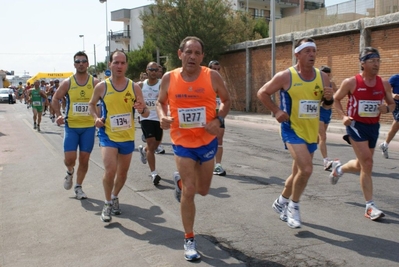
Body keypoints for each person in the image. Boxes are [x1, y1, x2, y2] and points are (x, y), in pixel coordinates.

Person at [156, 36, 231, 261]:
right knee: (189, 191)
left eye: (197, 53)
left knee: (203, 190)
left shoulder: (212, 76)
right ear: (180, 54)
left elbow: (226, 101)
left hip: (207, 141)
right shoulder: (169, 78)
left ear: (202, 57)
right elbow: (161, 102)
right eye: (189, 52)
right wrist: (162, 117)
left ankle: (179, 182)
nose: (193, 56)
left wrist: (218, 120)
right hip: (181, 141)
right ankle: (189, 238)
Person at [257, 37, 334, 229]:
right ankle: (294, 206)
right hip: (291, 129)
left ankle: (281, 201)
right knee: (307, 169)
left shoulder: (322, 77)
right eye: (307, 51)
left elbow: (325, 105)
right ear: (297, 54)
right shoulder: (286, 76)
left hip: (310, 131)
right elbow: (262, 92)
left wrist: (330, 100)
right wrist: (276, 111)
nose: (311, 55)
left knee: (299, 172)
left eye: (314, 51)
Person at [329, 47, 395, 221]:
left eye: (378, 60)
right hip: (355, 125)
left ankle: (339, 169)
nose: (376, 64)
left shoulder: (384, 84)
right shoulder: (351, 82)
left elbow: (393, 104)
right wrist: (343, 116)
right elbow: (335, 99)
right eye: (372, 60)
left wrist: (387, 108)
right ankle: (369, 206)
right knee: (368, 162)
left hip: (373, 127)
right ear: (363, 63)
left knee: (361, 165)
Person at [88, 50, 148, 223]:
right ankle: (107, 203)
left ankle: (114, 196)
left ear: (126, 65)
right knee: (110, 170)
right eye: (116, 62)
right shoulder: (102, 87)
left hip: (127, 136)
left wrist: (141, 109)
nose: (119, 66)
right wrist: (96, 118)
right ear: (110, 65)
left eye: (122, 63)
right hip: (108, 135)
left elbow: (145, 112)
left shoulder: (134, 87)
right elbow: (91, 104)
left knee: (122, 174)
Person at [52, 51, 100, 200]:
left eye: (83, 61)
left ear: (87, 64)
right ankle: (70, 172)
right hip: (71, 126)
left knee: (84, 159)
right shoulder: (68, 83)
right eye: (78, 61)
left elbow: (107, 99)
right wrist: (58, 114)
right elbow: (55, 99)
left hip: (88, 127)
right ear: (74, 64)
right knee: (70, 159)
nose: (80, 64)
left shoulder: (95, 83)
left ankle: (78, 187)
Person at [137, 61, 164, 185]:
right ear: (147, 70)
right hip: (146, 118)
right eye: (151, 70)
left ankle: (144, 151)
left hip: (158, 118)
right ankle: (154, 173)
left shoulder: (162, 84)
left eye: (155, 70)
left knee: (154, 146)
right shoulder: (141, 86)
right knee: (152, 143)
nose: (153, 72)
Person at [208, 60, 227, 176]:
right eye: (214, 69)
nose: (217, 71)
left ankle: (218, 165)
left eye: (219, 69)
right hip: (206, 115)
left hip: (218, 115)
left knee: (219, 140)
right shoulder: (204, 82)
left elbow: (226, 100)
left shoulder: (222, 83)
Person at [318, 66, 338, 170]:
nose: (327, 77)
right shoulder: (317, 84)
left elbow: (338, 95)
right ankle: (326, 160)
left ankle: (305, 151)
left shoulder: (332, 84)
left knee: (318, 138)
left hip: (327, 112)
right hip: (319, 112)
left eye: (328, 75)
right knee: (323, 136)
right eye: (325, 75)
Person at [378, 73, 399, 158]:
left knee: (395, 128)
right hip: (397, 105)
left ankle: (385, 144)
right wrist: (393, 95)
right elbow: (385, 90)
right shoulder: (395, 78)